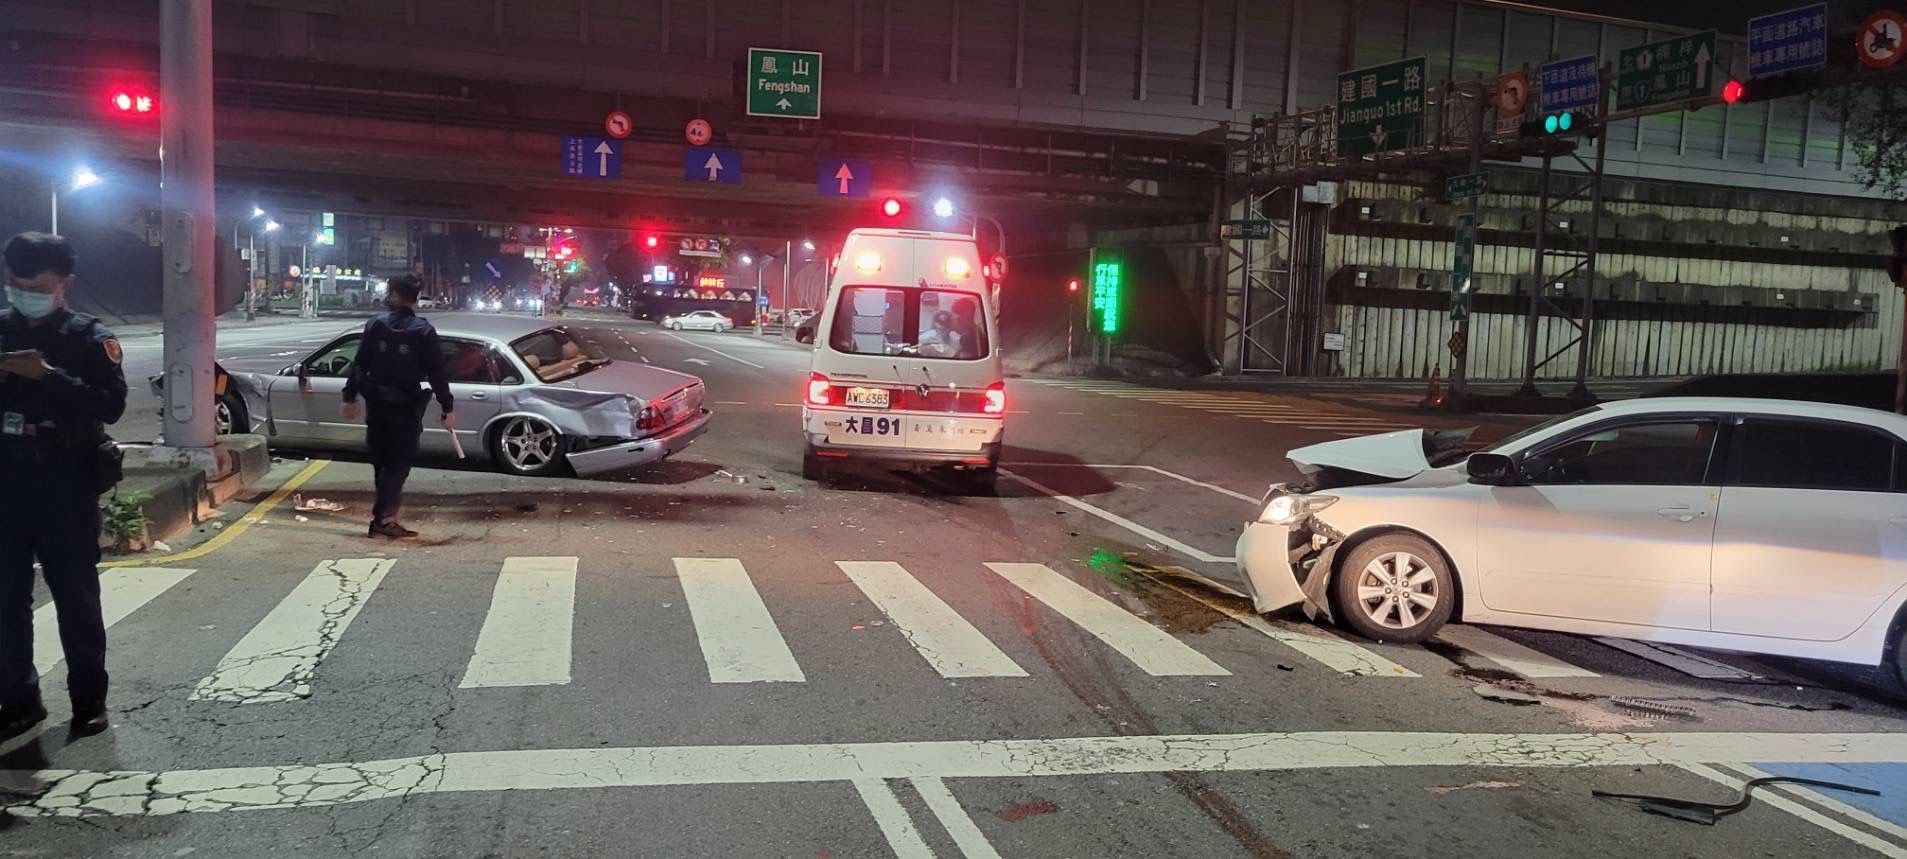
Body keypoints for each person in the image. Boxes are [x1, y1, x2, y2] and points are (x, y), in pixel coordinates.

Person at [0, 233, 126, 739]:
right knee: (6, 601)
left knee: (76, 599)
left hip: (66, 484)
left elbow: (110, 407)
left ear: (64, 284)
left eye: (35, 285)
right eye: (14, 284)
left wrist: (46, 375)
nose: (23, 292)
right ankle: (19, 699)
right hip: (7, 482)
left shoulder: (89, 338)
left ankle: (88, 700)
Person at [341, 274, 453, 539]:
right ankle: (384, 518)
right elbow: (437, 372)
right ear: (416, 297)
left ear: (393, 294)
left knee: (381, 462)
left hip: (376, 404)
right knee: (397, 464)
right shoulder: (423, 331)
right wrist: (447, 407)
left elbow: (359, 364)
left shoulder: (375, 325)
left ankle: (383, 516)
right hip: (405, 407)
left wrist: (349, 396)